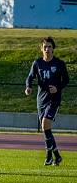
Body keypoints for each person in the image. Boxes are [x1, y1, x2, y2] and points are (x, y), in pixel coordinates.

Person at [25, 36, 69, 166]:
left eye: (50, 47)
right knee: (46, 128)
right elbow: (30, 77)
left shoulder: (59, 64)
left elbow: (66, 80)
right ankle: (56, 155)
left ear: (53, 48)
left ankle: (49, 155)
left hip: (54, 100)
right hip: (41, 100)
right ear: (41, 49)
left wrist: (57, 88)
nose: (47, 49)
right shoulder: (37, 63)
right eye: (45, 47)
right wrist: (28, 87)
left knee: (45, 124)